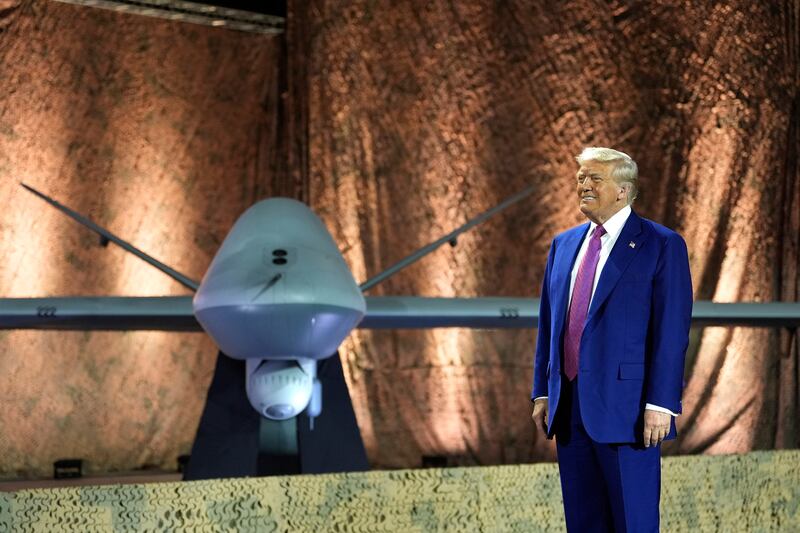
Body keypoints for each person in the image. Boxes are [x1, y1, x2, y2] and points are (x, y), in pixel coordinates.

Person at [530, 147, 692, 532]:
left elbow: (671, 330)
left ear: (623, 190)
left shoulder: (660, 243)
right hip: (569, 411)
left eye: (594, 178)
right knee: (584, 523)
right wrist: (542, 390)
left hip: (630, 413)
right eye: (581, 178)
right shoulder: (563, 245)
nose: (583, 185)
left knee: (632, 523)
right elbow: (548, 325)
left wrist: (661, 403)